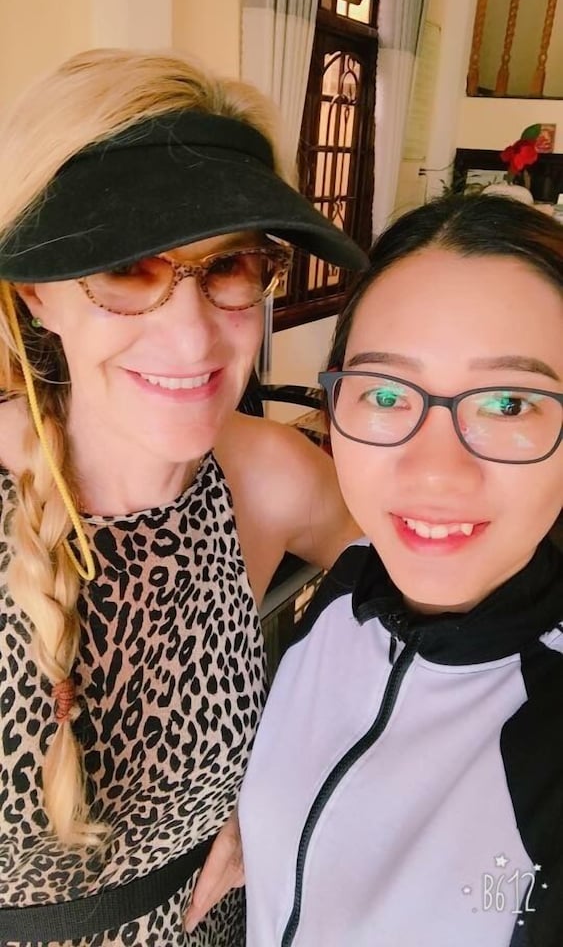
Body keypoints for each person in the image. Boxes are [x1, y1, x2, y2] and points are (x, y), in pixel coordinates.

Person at [0, 47, 367, 946]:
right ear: (38, 292)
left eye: (231, 264)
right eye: (129, 268)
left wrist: (290, 780)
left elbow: (440, 601)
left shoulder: (267, 478)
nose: (193, 336)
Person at [240, 194, 563, 947]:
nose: (435, 471)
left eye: (509, 404)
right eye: (385, 394)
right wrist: (259, 820)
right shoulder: (352, 581)